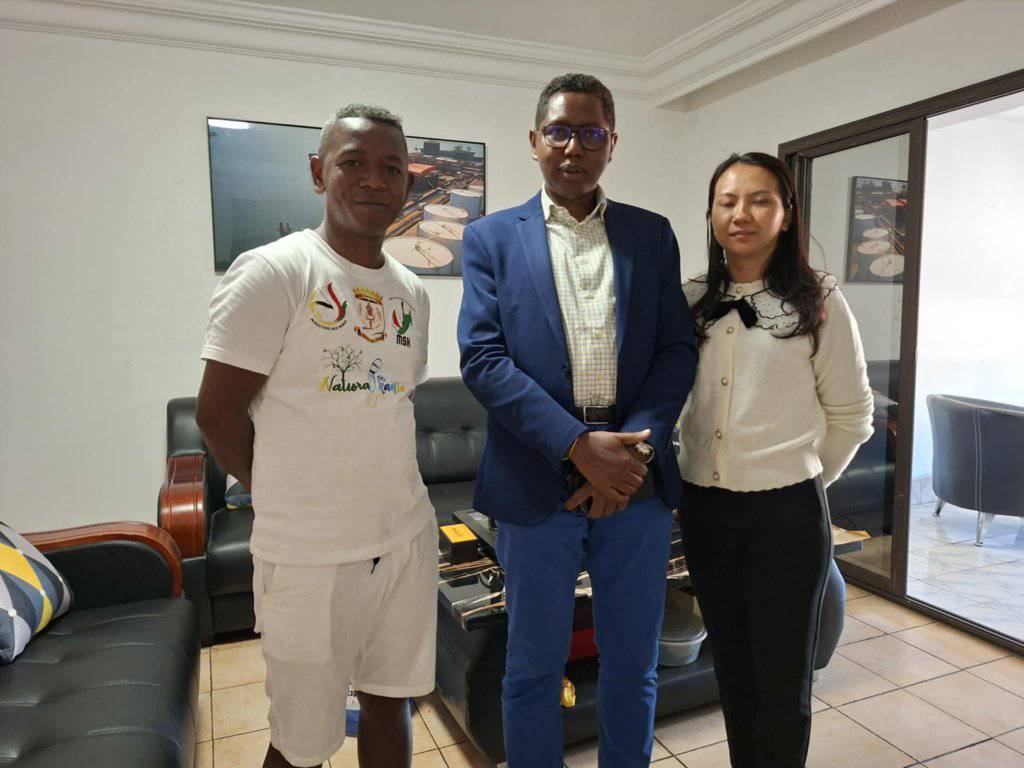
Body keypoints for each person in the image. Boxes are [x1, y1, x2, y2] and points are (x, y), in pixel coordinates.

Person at [457, 73, 698, 767]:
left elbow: (676, 351)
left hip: (634, 482)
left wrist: (629, 454)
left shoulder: (651, 235)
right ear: (534, 141)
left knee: (633, 664)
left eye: (591, 133)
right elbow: (482, 359)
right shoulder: (491, 237)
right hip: (535, 479)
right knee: (533, 668)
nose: (573, 146)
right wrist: (576, 444)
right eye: (559, 131)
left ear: (612, 143)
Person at [196, 104, 436, 768]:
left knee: (392, 702)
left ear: (407, 183)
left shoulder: (412, 292)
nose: (374, 180)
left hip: (404, 538)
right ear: (317, 171)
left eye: (391, 168)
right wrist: (285, 494)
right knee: (300, 741)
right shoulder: (275, 272)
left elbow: (395, 404)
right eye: (353, 162)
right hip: (307, 556)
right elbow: (217, 414)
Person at [677, 152, 874, 768]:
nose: (742, 213)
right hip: (705, 511)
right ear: (712, 214)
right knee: (732, 669)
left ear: (786, 214)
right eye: (728, 201)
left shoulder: (820, 299)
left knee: (783, 680)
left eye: (760, 200)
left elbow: (853, 415)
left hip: (786, 515)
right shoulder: (690, 299)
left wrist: (801, 479)